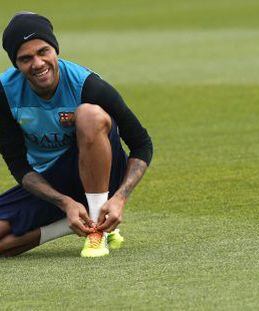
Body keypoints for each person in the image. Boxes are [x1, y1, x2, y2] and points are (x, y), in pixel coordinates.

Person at [0, 12, 153, 257]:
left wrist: (120, 198)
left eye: (43, 51)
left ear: (55, 50)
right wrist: (65, 203)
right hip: (50, 184)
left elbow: (141, 144)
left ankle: (96, 228)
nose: (38, 63)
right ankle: (76, 224)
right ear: (16, 64)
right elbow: (19, 166)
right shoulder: (5, 93)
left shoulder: (88, 85)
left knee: (89, 116)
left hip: (102, 175)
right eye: (26, 58)